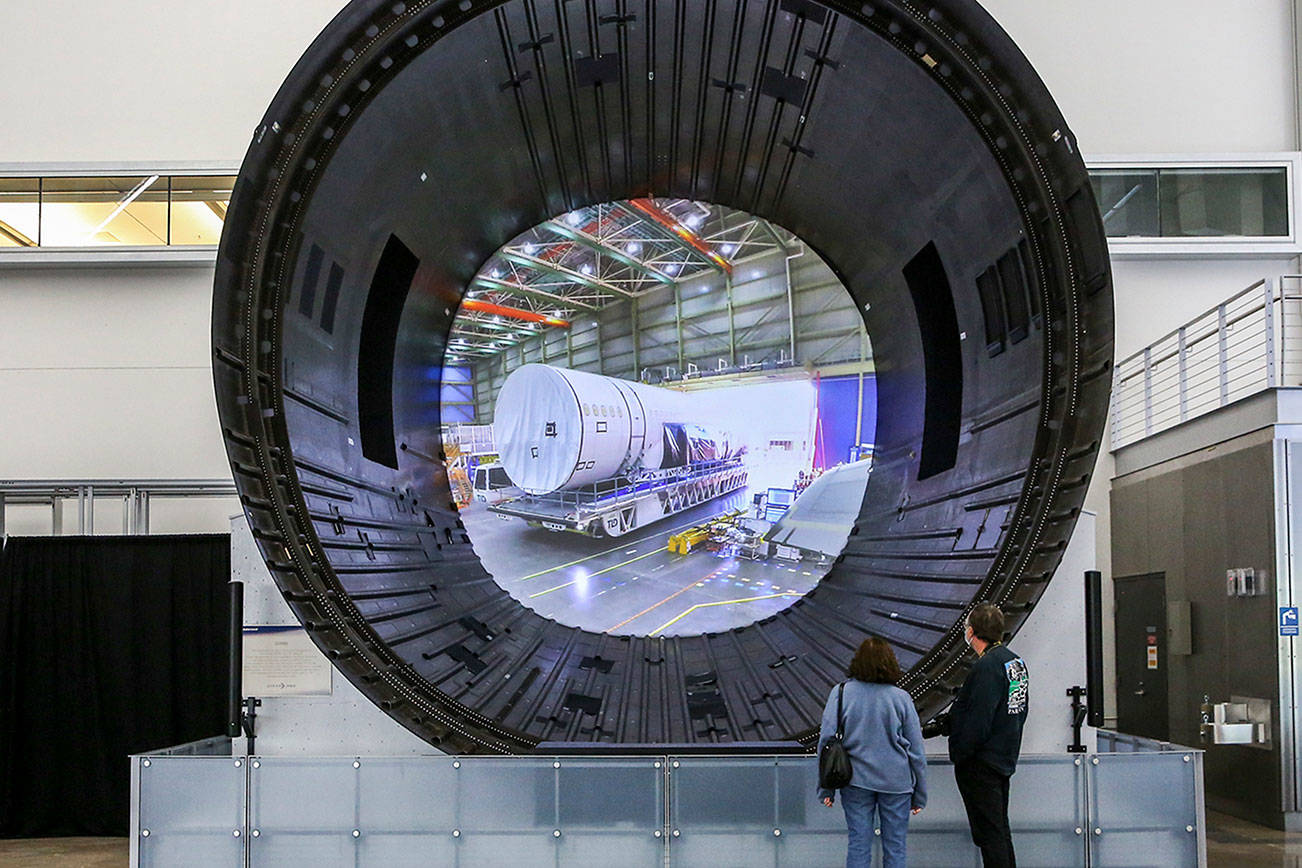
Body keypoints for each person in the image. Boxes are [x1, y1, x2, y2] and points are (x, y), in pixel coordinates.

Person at [817, 637, 927, 868]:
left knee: (858, 844)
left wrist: (825, 787)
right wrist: (920, 794)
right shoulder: (901, 698)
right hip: (897, 784)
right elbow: (916, 751)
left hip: (855, 781)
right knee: (895, 847)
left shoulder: (841, 692)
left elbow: (826, 741)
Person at [941, 603, 1029, 868]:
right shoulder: (1015, 663)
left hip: (982, 766)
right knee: (1000, 832)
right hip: (1003, 759)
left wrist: (960, 753)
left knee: (990, 836)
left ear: (972, 631)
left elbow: (978, 721)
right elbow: (1018, 710)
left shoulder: (986, 668)